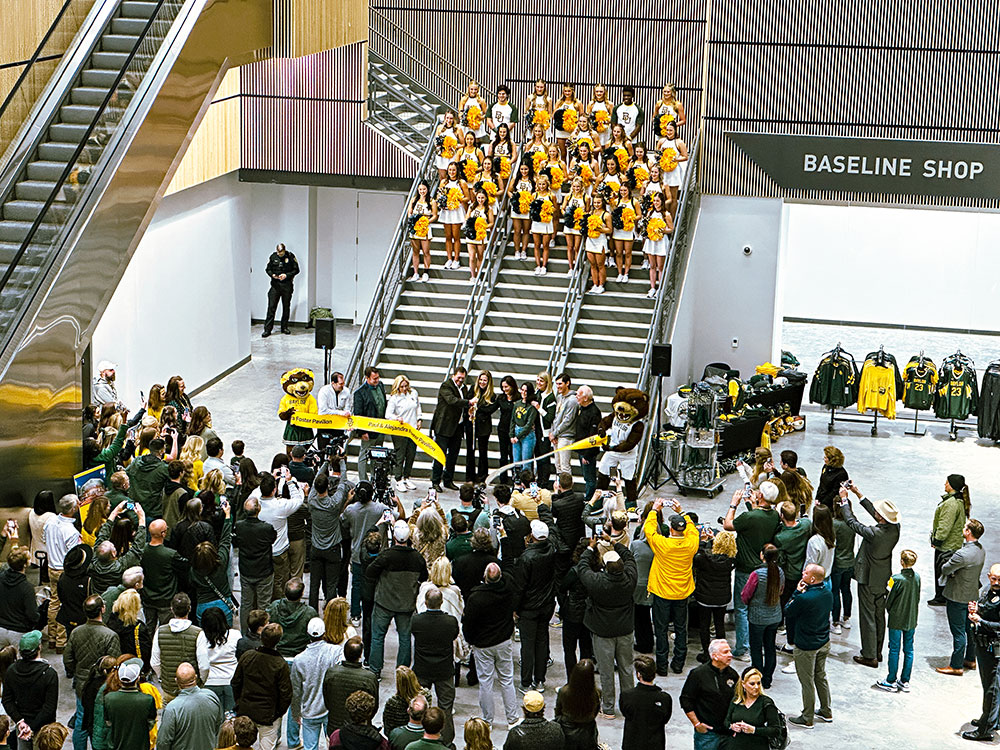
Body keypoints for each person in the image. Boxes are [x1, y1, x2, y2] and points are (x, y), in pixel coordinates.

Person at [838, 482, 900, 667]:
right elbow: (876, 512)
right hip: (882, 577)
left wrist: (844, 501)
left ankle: (869, 655)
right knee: (879, 615)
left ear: (881, 517)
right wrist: (858, 493)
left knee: (867, 616)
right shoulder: (895, 528)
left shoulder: (874, 533)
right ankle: (878, 651)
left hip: (868, 577)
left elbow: (852, 523)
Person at [576, 535, 636, 720]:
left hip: (602, 632)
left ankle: (608, 708)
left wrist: (589, 548)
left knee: (606, 670)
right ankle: (629, 707)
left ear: (605, 567)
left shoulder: (597, 582)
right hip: (625, 630)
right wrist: (614, 542)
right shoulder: (630, 579)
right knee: (626, 668)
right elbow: (630, 558)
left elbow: (582, 568)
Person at [723, 483, 781, 661]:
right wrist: (752, 505)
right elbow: (758, 518)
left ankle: (742, 649)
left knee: (741, 608)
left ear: (761, 496)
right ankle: (758, 644)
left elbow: (728, 524)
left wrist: (734, 504)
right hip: (764, 568)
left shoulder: (749, 517)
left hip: (745, 569)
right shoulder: (774, 516)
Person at [367, 520, 428, 678]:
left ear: (393, 537)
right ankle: (403, 673)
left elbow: (370, 572)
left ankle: (375, 670)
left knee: (378, 636)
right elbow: (424, 577)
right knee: (405, 638)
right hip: (406, 605)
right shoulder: (417, 558)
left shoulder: (387, 556)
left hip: (384, 603)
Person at [645, 498, 700, 675]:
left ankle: (661, 665)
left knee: (660, 630)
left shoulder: (663, 545)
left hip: (662, 593)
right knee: (680, 629)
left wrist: (654, 510)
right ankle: (678, 663)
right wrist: (682, 512)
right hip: (682, 593)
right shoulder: (691, 543)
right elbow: (693, 530)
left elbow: (649, 530)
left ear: (670, 529)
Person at [463, 562, 519, 729]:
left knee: (486, 682)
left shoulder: (476, 598)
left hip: (483, 644)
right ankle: (512, 719)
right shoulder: (508, 590)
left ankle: (487, 720)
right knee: (507, 680)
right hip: (503, 640)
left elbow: (469, 623)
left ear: (485, 578)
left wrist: (470, 640)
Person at [65, 595, 120, 750]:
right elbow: (114, 664)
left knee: (81, 720)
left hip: (82, 684)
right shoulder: (110, 636)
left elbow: (68, 659)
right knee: (100, 723)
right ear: (102, 609)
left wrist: (78, 672)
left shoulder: (76, 632)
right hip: (103, 686)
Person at [784, 563, 833, 728]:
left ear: (812, 579)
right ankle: (826, 710)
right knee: (821, 676)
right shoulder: (827, 593)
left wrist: (797, 591)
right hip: (824, 641)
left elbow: (788, 611)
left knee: (807, 681)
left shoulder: (804, 598)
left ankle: (807, 717)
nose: (802, 573)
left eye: (805, 572)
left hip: (806, 645)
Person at [410, 588, 460, 744]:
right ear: (442, 602)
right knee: (446, 707)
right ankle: (446, 742)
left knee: (418, 706)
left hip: (422, 669)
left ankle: (419, 737)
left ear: (425, 603)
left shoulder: (417, 621)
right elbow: (454, 636)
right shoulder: (450, 622)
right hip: (443, 670)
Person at [231, 622, 291, 749]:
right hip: (268, 716)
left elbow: (236, 682)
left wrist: (239, 702)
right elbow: (286, 694)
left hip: (246, 710)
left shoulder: (247, 656)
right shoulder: (280, 664)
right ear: (278, 641)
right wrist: (278, 714)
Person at [938, 518, 986, 676]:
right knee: (970, 629)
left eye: (965, 527)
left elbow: (945, 569)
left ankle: (956, 665)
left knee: (958, 632)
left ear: (968, 532)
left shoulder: (962, 554)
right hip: (972, 594)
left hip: (957, 595)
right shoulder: (981, 550)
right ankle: (971, 659)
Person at [514, 519, 557, 692]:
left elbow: (520, 587)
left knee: (527, 645)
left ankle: (526, 682)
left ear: (532, 536)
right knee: (541, 642)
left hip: (529, 608)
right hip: (546, 605)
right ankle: (540, 680)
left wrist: (515, 608)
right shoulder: (552, 550)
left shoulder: (527, 557)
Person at [1, 631, 58, 750]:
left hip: (21, 727)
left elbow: (7, 700)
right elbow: (49, 707)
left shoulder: (12, 670)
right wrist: (31, 727)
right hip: (43, 728)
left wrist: (20, 722)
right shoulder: (49, 673)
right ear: (39, 648)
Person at [291, 617, 340, 750]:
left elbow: (296, 690)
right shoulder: (335, 652)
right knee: (334, 745)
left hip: (309, 710)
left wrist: (296, 713)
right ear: (324, 633)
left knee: (310, 747)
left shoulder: (299, 660)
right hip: (330, 710)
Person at [680, 639, 739, 749]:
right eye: (725, 652)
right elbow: (686, 700)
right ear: (714, 656)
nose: (730, 655)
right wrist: (697, 724)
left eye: (730, 651)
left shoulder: (733, 675)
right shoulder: (698, 674)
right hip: (707, 735)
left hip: (728, 733)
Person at [876, 549, 921, 692]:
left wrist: (888, 609)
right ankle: (905, 680)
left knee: (894, 649)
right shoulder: (918, 577)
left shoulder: (894, 579)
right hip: (911, 618)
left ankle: (891, 680)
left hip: (896, 618)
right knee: (909, 649)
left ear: (902, 561)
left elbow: (888, 598)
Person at [43, 493, 83, 651]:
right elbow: (73, 556)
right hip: (64, 571)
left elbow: (44, 539)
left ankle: (51, 637)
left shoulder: (50, 521)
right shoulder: (70, 531)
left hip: (51, 566)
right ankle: (61, 641)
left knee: (54, 602)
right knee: (64, 605)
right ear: (73, 509)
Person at [965, 564, 1000, 742]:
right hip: (984, 646)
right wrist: (976, 609)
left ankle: (986, 729)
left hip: (995, 648)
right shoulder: (987, 590)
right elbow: (985, 607)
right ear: (988, 576)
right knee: (989, 685)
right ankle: (992, 719)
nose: (996, 582)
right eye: (993, 578)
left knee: (992, 689)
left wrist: (981, 621)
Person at [740, 544, 783, 688]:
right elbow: (781, 590)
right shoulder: (780, 572)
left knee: (756, 648)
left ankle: (757, 677)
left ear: (762, 555)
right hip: (775, 615)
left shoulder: (757, 574)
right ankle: (768, 679)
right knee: (770, 646)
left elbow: (746, 595)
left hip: (758, 617)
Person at [308, 469, 351, 611]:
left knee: (314, 584)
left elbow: (315, 480)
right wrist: (343, 463)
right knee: (332, 584)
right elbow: (343, 484)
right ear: (327, 487)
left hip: (316, 548)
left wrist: (325, 462)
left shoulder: (311, 501)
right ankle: (330, 613)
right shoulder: (334, 504)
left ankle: (312, 612)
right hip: (332, 549)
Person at [157, 662, 225, 750]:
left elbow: (163, 742)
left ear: (176, 681)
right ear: (195, 677)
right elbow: (219, 724)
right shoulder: (211, 696)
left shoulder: (172, 708)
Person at [151, 593, 205, 702]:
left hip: (169, 689)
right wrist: (201, 682)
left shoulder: (160, 632)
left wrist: (164, 678)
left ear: (172, 609)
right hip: (192, 689)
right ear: (189, 609)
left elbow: (155, 662)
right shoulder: (198, 633)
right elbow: (204, 666)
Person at [693, 531, 736, 663]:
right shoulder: (731, 561)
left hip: (705, 597)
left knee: (704, 625)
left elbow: (697, 555)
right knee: (719, 625)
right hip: (722, 598)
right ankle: (721, 651)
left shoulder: (705, 559)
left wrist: (704, 541)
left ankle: (707, 652)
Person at [929, 474, 971, 606]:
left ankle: (941, 597)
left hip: (947, 546)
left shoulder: (951, 504)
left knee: (942, 571)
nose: (944, 484)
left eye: (946, 483)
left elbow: (944, 526)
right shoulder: (957, 501)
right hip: (953, 544)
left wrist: (936, 541)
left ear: (952, 486)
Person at [431, 367, 475, 492]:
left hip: (458, 426)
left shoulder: (464, 388)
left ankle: (448, 480)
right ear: (453, 375)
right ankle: (435, 481)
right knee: (440, 455)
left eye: (462, 378)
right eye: (458, 377)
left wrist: (469, 411)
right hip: (444, 426)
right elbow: (452, 400)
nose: (460, 380)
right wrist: (469, 402)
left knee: (453, 456)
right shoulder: (446, 386)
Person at [323, 637, 378, 731]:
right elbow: (374, 705)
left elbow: (326, 698)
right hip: (360, 728)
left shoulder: (331, 673)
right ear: (360, 655)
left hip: (335, 725)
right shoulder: (369, 678)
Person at [102, 659, 157, 750]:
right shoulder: (147, 700)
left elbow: (108, 721)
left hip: (116, 745)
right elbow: (151, 722)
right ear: (138, 678)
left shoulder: (109, 698)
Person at [620, 655, 672, 750]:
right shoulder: (664, 698)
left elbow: (626, 713)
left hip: (632, 744)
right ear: (654, 674)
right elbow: (665, 719)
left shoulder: (626, 696)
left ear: (638, 675)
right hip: (655, 744)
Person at [195, 606, 240, 713]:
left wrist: (203, 680)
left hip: (210, 683)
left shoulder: (202, 636)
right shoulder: (235, 635)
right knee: (230, 721)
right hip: (231, 681)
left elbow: (203, 665)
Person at [724, 667, 782, 748]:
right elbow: (726, 721)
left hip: (757, 745)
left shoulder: (766, 703)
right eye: (752, 684)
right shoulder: (736, 700)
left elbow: (776, 730)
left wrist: (754, 730)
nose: (756, 687)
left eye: (758, 683)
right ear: (743, 684)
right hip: (735, 745)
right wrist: (731, 726)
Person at [0, 535, 41, 648]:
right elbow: (32, 615)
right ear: (25, 565)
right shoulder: (26, 588)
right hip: (18, 632)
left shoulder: (1, 578)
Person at [554, 658, 600, 750]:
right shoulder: (596, 693)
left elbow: (558, 710)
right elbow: (595, 711)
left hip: (567, 729)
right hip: (588, 731)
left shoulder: (564, 691)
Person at [386, 375, 422, 490]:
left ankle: (407, 477)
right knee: (400, 455)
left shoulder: (413, 393)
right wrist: (396, 418)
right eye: (402, 386)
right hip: (400, 431)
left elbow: (418, 407)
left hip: (412, 430)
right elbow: (388, 415)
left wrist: (419, 419)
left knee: (411, 454)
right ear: (397, 387)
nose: (405, 388)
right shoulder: (394, 398)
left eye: (406, 386)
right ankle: (398, 479)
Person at [353, 366, 388, 482]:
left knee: (377, 455)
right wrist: (362, 432)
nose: (377, 381)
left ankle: (375, 477)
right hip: (368, 430)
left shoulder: (380, 386)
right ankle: (363, 479)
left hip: (380, 428)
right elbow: (358, 415)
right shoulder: (360, 393)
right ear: (367, 378)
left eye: (378, 378)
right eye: (374, 379)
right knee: (364, 455)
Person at [127, 437, 170, 520]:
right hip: (153, 511)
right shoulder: (163, 469)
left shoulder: (136, 461)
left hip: (135, 508)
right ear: (161, 451)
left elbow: (126, 473)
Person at [262, 242, 298, 337]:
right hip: (275, 286)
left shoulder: (290, 257)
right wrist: (272, 275)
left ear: (284, 250)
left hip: (286, 286)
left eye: (281, 253)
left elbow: (296, 270)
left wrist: (286, 275)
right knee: (271, 307)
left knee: (286, 307)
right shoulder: (273, 257)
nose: (279, 254)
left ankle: (284, 327)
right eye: (278, 253)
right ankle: (267, 330)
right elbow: (268, 269)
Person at [830, 502, 856, 634]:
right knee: (846, 589)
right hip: (850, 562)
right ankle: (846, 618)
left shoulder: (835, 524)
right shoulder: (852, 522)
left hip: (837, 563)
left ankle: (835, 622)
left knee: (835, 591)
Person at [573, 386, 601, 501]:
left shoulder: (594, 413)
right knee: (586, 476)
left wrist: (587, 454)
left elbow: (593, 436)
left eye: (578, 395)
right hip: (581, 449)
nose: (576, 397)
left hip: (588, 451)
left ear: (585, 398)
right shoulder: (582, 408)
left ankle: (590, 499)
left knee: (590, 477)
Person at [549, 374, 578, 475]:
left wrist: (555, 433)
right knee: (558, 465)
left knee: (565, 466)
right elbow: (555, 417)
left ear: (567, 383)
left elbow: (568, 420)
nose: (558, 386)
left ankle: (567, 488)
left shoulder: (573, 400)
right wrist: (553, 433)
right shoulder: (559, 398)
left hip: (566, 437)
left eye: (560, 384)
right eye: (556, 384)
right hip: (557, 435)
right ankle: (560, 488)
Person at [814, 446, 848, 510]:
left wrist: (823, 503)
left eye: (826, 457)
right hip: (821, 501)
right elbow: (821, 484)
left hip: (831, 505)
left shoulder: (842, 474)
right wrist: (817, 498)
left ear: (832, 459)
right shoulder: (825, 467)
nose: (824, 459)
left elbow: (835, 492)